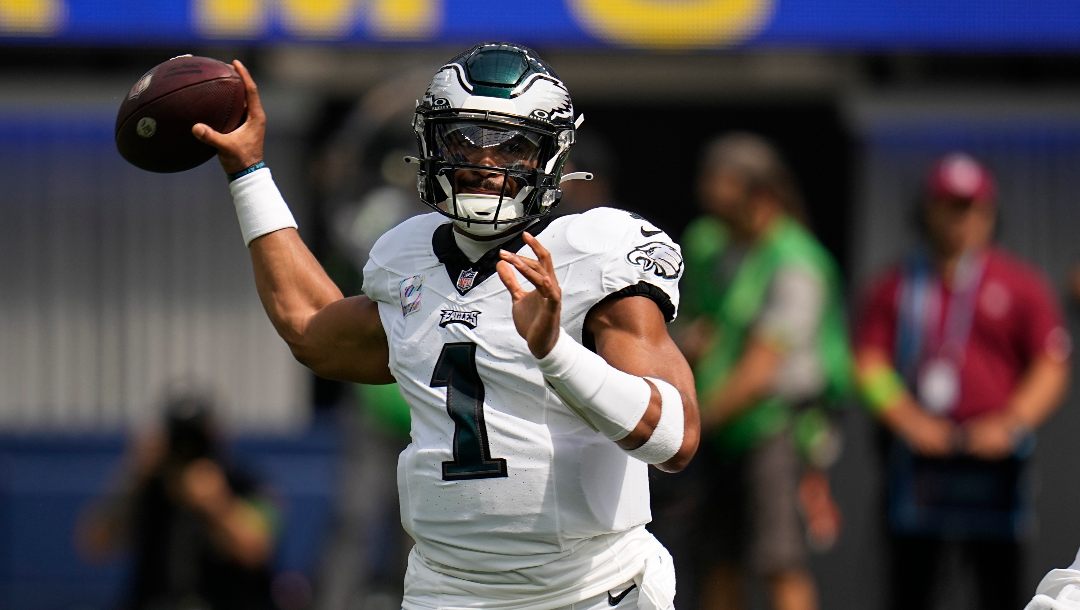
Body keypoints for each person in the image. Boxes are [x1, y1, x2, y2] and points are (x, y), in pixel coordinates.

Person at [189, 42, 700, 610]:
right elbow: (311, 328)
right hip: (446, 589)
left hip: (589, 588)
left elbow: (675, 440)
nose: (484, 163)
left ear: (549, 158)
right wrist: (249, 171)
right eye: (463, 140)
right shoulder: (406, 255)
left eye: (511, 145)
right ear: (430, 146)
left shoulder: (596, 250)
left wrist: (555, 351)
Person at [854, 152, 1071, 610]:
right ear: (927, 210)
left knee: (999, 587)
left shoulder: (1020, 284)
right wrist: (909, 420)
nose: (961, 219)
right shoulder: (898, 284)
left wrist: (1011, 423)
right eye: (950, 206)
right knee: (912, 588)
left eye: (972, 207)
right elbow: (869, 364)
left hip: (992, 462)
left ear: (990, 213)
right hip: (919, 463)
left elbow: (1051, 364)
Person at [674, 133, 851, 610]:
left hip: (776, 428)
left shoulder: (797, 263)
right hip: (717, 431)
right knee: (714, 559)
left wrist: (692, 424)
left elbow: (762, 368)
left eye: (724, 183)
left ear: (763, 193)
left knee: (779, 558)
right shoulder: (709, 243)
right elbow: (696, 325)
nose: (709, 193)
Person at [76, 392, 278, 610]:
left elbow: (258, 550)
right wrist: (134, 473)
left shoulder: (244, 482)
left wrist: (217, 505)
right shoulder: (149, 485)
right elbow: (95, 545)